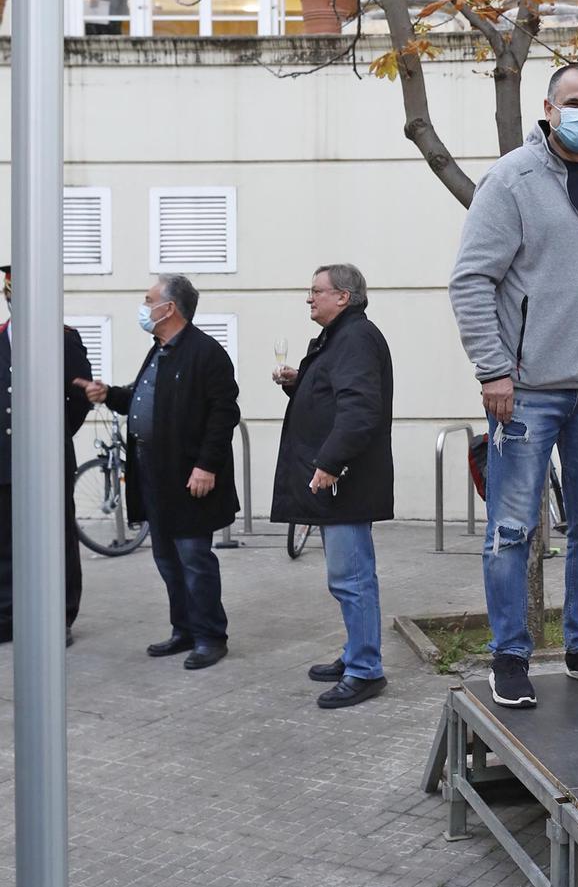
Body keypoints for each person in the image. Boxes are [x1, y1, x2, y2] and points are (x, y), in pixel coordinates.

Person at [449, 63, 578, 710]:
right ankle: (510, 654)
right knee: (511, 529)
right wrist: (493, 369)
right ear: (549, 109)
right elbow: (470, 280)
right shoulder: (510, 179)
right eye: (575, 101)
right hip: (526, 391)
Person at [78, 275, 238, 668]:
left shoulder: (206, 353)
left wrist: (206, 466)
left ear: (170, 308)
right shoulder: (160, 350)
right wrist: (109, 394)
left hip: (190, 477)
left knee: (194, 559)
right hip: (154, 473)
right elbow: (141, 397)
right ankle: (183, 630)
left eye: (149, 300)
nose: (144, 307)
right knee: (167, 558)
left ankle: (210, 637)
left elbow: (224, 414)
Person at [272, 264, 394, 710]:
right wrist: (299, 385)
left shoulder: (355, 338)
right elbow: (333, 398)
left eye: (317, 291)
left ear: (343, 297)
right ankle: (355, 654)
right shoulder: (342, 336)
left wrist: (329, 462)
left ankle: (365, 670)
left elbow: (359, 408)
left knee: (352, 578)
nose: (310, 298)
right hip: (341, 481)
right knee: (348, 578)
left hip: (347, 483)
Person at [0, 267, 92, 645]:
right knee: (6, 539)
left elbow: (79, 397)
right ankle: (8, 614)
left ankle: (59, 616)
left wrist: (52, 436)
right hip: (4, 458)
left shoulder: (63, 339)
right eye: (11, 292)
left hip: (49, 459)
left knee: (57, 538)